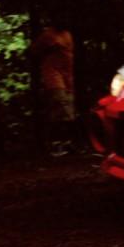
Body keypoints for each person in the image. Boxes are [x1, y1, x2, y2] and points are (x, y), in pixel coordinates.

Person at [30, 14, 77, 156]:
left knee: (69, 111)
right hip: (53, 77)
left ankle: (67, 143)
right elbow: (33, 51)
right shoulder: (48, 35)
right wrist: (48, 51)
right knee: (59, 109)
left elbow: (68, 54)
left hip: (67, 77)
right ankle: (55, 145)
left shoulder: (67, 34)